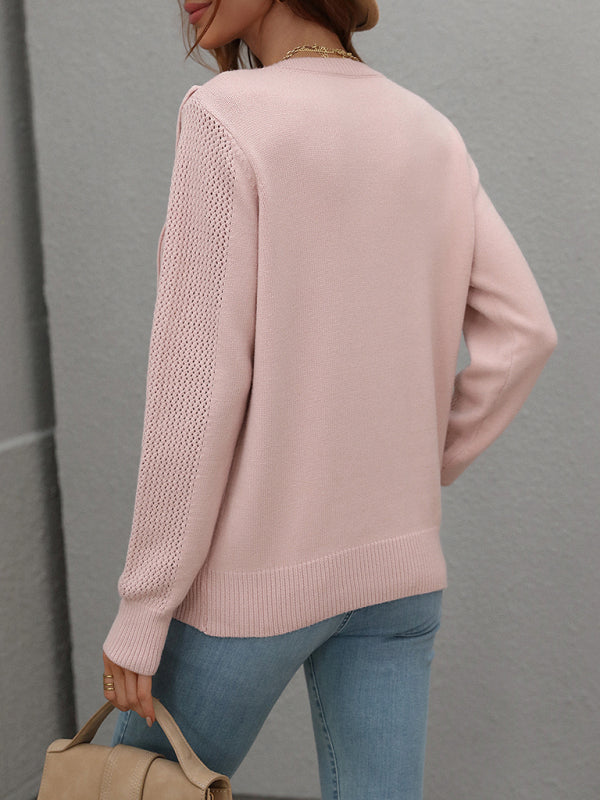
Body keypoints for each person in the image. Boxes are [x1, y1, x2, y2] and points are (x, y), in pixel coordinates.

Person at [101, 1, 558, 798]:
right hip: (399, 576)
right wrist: (423, 461)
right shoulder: (428, 131)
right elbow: (527, 333)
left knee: (120, 788)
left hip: (255, 580)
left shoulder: (226, 116)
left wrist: (143, 609)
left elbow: (195, 388)